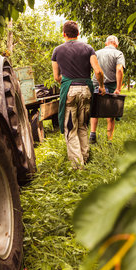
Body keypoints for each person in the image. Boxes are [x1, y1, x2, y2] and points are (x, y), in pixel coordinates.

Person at [52, 21, 106, 169]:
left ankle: (78, 166)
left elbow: (57, 77)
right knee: (82, 125)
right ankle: (85, 156)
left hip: (70, 91)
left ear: (64, 34)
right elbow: (98, 71)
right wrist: (101, 86)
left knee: (70, 127)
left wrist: (69, 80)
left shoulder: (57, 51)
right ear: (78, 34)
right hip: (86, 91)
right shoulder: (88, 48)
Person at [89, 35, 125, 144]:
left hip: (96, 85)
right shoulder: (118, 53)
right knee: (111, 114)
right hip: (111, 85)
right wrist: (118, 88)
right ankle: (109, 140)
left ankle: (92, 135)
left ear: (106, 43)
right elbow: (119, 70)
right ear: (116, 44)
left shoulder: (96, 53)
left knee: (95, 111)